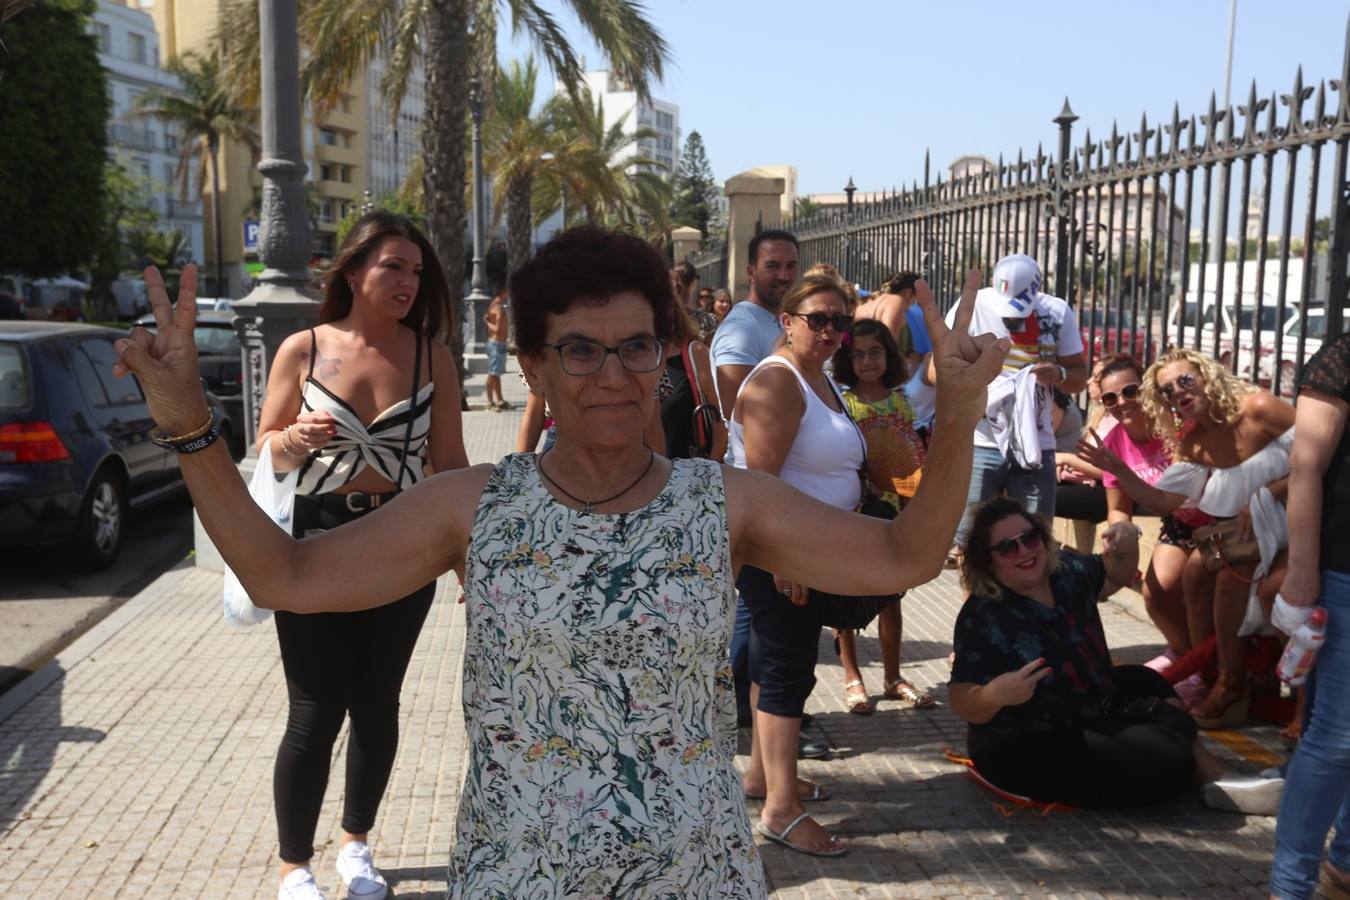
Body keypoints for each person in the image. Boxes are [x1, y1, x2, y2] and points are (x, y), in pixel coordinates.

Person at [112, 227, 1008, 893]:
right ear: (533, 365)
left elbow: (905, 554)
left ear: (662, 354)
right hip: (521, 872)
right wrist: (192, 425)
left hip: (689, 870)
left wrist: (958, 411)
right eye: (579, 349)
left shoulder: (720, 502)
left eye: (634, 346)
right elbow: (286, 576)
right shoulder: (476, 506)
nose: (611, 374)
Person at [251, 211, 469, 900]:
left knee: (378, 704)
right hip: (315, 544)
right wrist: (293, 441)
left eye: (415, 270)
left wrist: (469, 560)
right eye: (391, 267)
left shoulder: (431, 355)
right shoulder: (305, 349)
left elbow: (451, 466)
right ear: (353, 272)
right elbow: (264, 447)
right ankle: (294, 864)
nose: (408, 281)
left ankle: (356, 844)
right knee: (314, 710)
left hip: (404, 546)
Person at [949, 497, 1254, 809]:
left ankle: (1210, 775)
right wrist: (994, 694)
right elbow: (961, 697)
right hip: (1024, 741)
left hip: (1085, 709)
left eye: (1030, 538)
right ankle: (1206, 774)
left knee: (1144, 680)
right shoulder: (982, 615)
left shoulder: (1065, 574)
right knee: (1167, 760)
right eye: (1007, 547)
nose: (1025, 551)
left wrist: (1127, 533)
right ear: (987, 562)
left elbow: (1115, 574)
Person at [1136, 348, 1296, 728]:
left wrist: (1270, 492)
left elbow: (1323, 451)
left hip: (1300, 509)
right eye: (1167, 391)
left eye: (1185, 380)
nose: (1178, 392)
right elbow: (1163, 501)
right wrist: (1112, 469)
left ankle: (1232, 681)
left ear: (1207, 377)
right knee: (1193, 573)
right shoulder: (1194, 441)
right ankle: (1211, 675)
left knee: (1228, 580)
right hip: (1252, 529)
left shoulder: (1258, 406)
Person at [937, 254, 1088, 565]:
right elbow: (935, 369)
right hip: (980, 442)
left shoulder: (1057, 312)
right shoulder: (975, 305)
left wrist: (1058, 375)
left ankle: (1028, 611)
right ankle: (977, 611)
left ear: (1037, 292)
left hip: (1035, 445)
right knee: (972, 543)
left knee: (1036, 540)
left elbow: (1079, 377)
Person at [1269, 328, 1350, 899]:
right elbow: (1305, 466)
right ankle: (1290, 886)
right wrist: (1301, 575)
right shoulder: (1345, 355)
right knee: (1338, 735)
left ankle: (1344, 862)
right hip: (1346, 572)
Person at [709, 228, 799, 734]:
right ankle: (763, 723)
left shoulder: (773, 323)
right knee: (769, 619)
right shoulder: (744, 327)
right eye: (772, 266)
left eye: (790, 265)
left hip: (772, 492)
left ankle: (738, 711)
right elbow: (735, 408)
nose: (783, 275)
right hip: (758, 490)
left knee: (755, 613)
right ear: (750, 271)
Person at [829, 319, 933, 714]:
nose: (867, 361)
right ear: (845, 358)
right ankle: (852, 675)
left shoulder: (902, 402)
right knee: (846, 592)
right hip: (852, 508)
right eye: (857, 354)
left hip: (891, 509)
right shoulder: (841, 401)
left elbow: (910, 463)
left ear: (889, 355)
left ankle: (893, 676)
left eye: (875, 352)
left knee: (891, 594)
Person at [1075, 354, 1195, 689]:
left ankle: (1210, 665)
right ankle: (1185, 654)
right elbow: (1118, 508)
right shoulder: (1113, 442)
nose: (1122, 403)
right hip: (1178, 524)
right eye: (1110, 398)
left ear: (1147, 389)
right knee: (1155, 593)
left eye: (1131, 391)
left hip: (1214, 517)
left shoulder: (1175, 423)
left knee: (1200, 587)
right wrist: (1121, 530)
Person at [660, 303, 727, 460]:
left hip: (694, 472)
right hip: (651, 475)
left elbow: (720, 419)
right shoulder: (639, 360)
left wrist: (711, 469)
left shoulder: (695, 353)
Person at [854, 272, 924, 375]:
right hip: (878, 374)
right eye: (914, 300)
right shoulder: (896, 303)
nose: (912, 306)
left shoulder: (869, 301)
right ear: (908, 293)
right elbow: (889, 346)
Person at [483, 290, 512, 411]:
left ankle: (499, 400)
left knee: (497, 374)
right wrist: (487, 322)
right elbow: (497, 329)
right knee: (493, 373)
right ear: (503, 291)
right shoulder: (498, 307)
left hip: (498, 344)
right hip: (496, 344)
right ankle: (489, 402)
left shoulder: (494, 305)